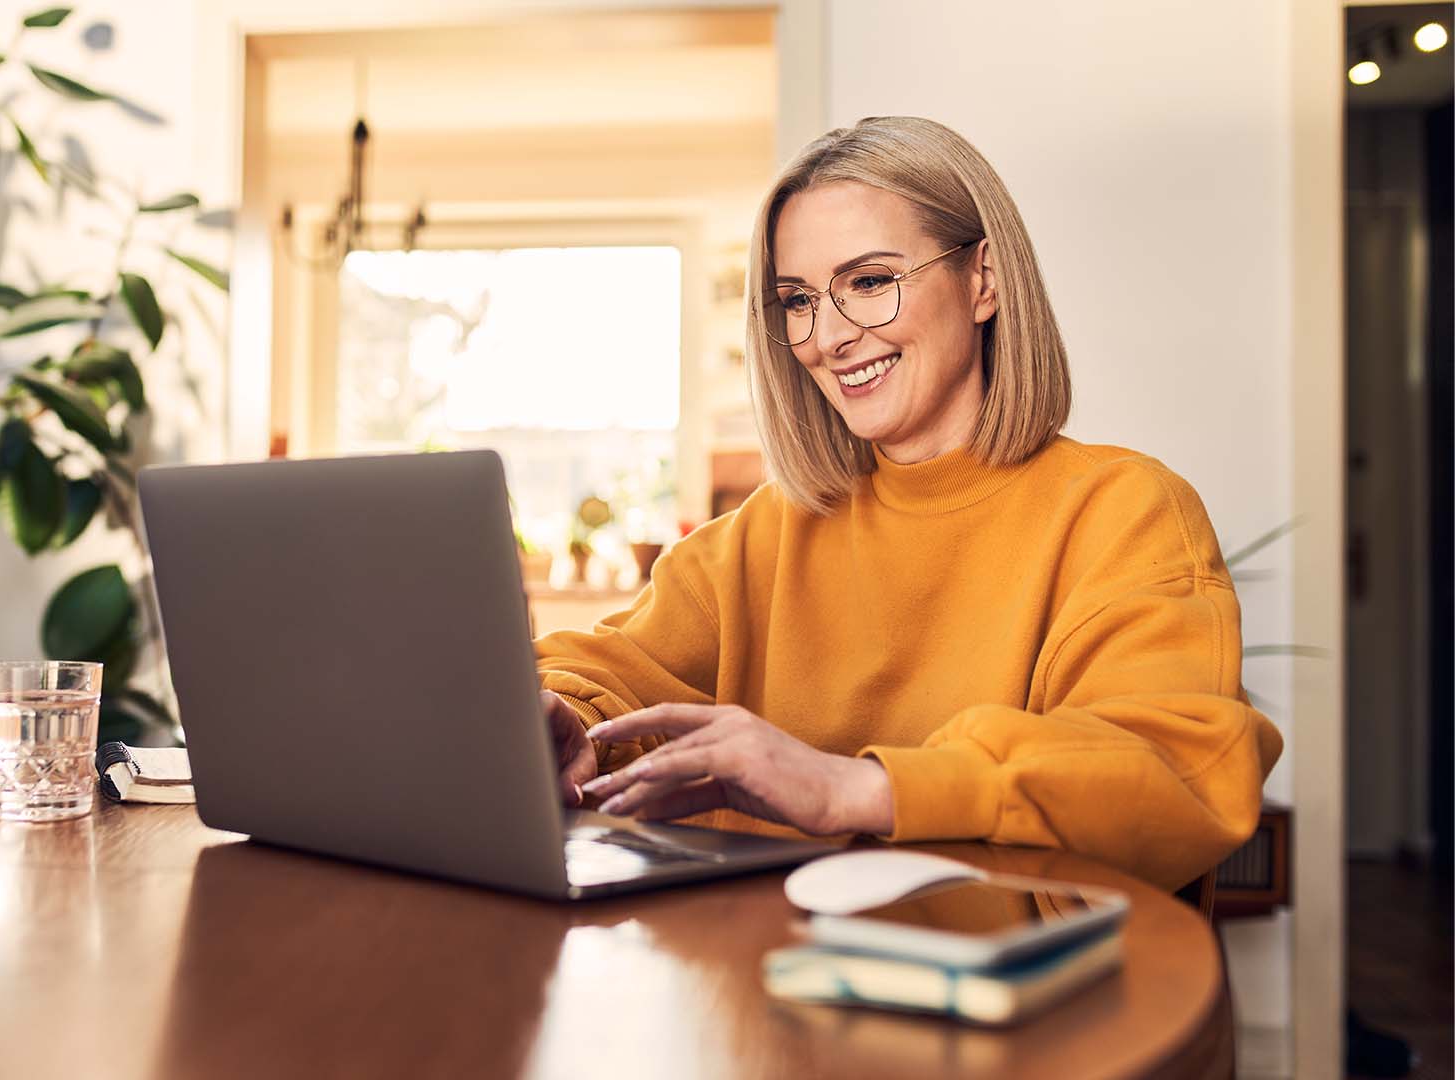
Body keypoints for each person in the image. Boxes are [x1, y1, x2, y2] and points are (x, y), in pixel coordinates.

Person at [537, 116, 1282, 889]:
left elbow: (1174, 770)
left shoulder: (1124, 512)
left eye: (869, 282)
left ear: (983, 281)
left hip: (1012, 993)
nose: (827, 337)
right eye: (798, 300)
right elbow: (607, 665)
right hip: (776, 981)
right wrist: (567, 716)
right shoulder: (767, 534)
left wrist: (857, 789)